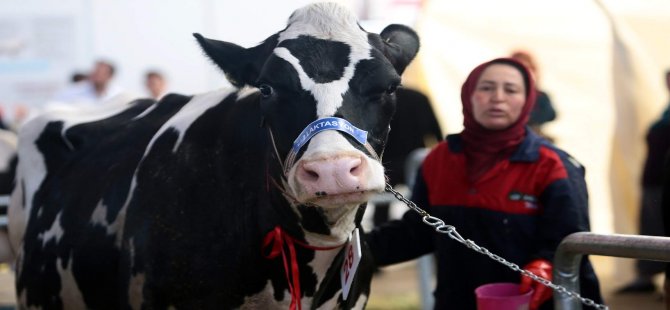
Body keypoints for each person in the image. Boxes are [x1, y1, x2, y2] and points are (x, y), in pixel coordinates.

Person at [366, 58, 603, 310]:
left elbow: (570, 242)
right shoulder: (439, 160)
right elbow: (417, 232)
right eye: (486, 88)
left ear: (527, 101)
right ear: (468, 95)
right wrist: (353, 247)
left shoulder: (552, 165)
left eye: (511, 90)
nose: (497, 97)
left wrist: (545, 266)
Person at [617, 70, 670, 294]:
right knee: (652, 228)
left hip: (663, 182)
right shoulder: (666, 111)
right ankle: (646, 276)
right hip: (655, 181)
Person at [372, 87, 443, 227]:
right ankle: (421, 232)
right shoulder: (420, 97)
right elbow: (435, 130)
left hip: (387, 162)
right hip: (416, 162)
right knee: (420, 203)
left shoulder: (379, 100)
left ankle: (380, 235)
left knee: (381, 208)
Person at [510, 50, 557, 140]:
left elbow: (552, 115)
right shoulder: (503, 97)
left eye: (527, 69)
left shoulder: (541, 96)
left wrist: (529, 118)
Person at [51, 60, 122, 105]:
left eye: (100, 73)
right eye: (95, 72)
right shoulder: (72, 92)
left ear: (110, 76)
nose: (96, 76)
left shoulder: (118, 95)